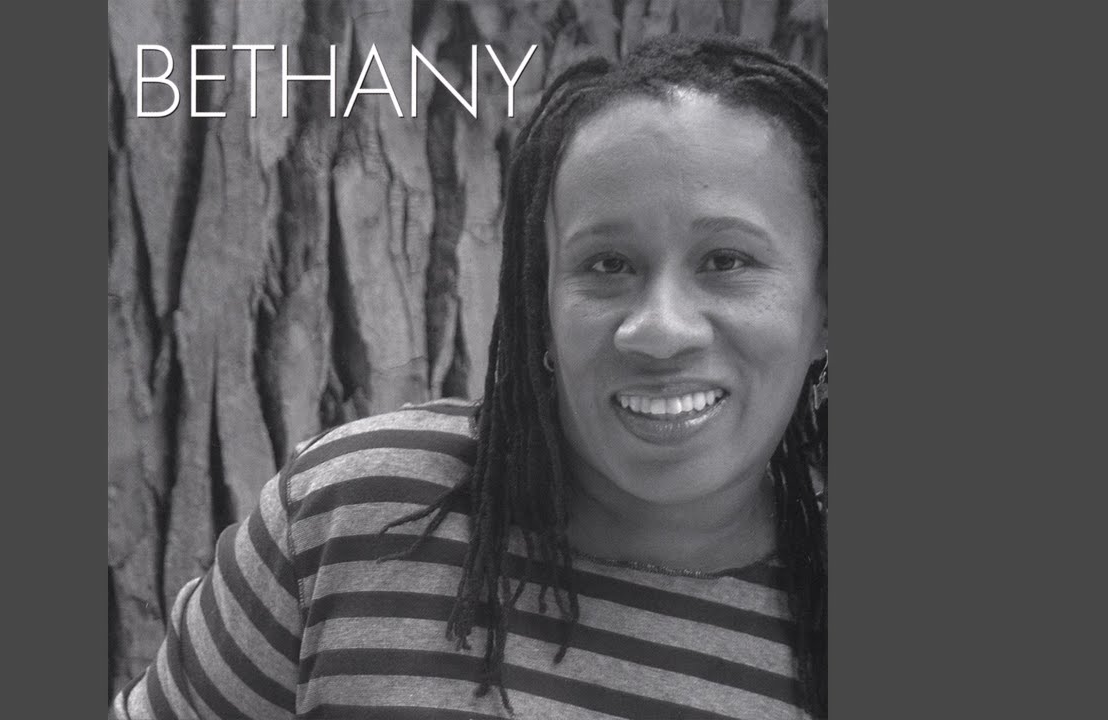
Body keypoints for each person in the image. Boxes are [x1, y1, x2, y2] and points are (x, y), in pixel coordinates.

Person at [111, 33, 828, 720]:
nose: (660, 329)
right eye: (608, 264)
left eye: (727, 261)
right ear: (539, 303)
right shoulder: (353, 517)